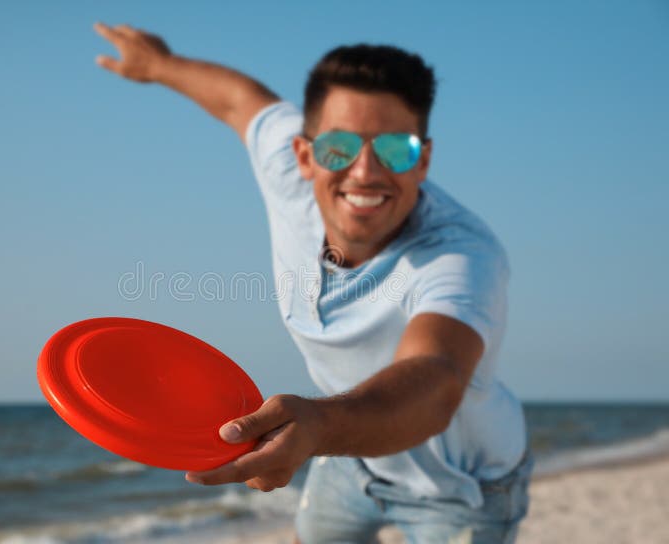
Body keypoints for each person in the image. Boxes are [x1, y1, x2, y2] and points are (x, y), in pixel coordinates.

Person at [94, 22, 532, 544]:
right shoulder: (287, 174)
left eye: (396, 149)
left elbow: (435, 379)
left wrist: (318, 427)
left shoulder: (461, 256)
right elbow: (240, 101)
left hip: (460, 488)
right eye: (339, 147)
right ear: (304, 155)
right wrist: (160, 67)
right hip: (347, 457)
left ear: (425, 159)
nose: (365, 171)